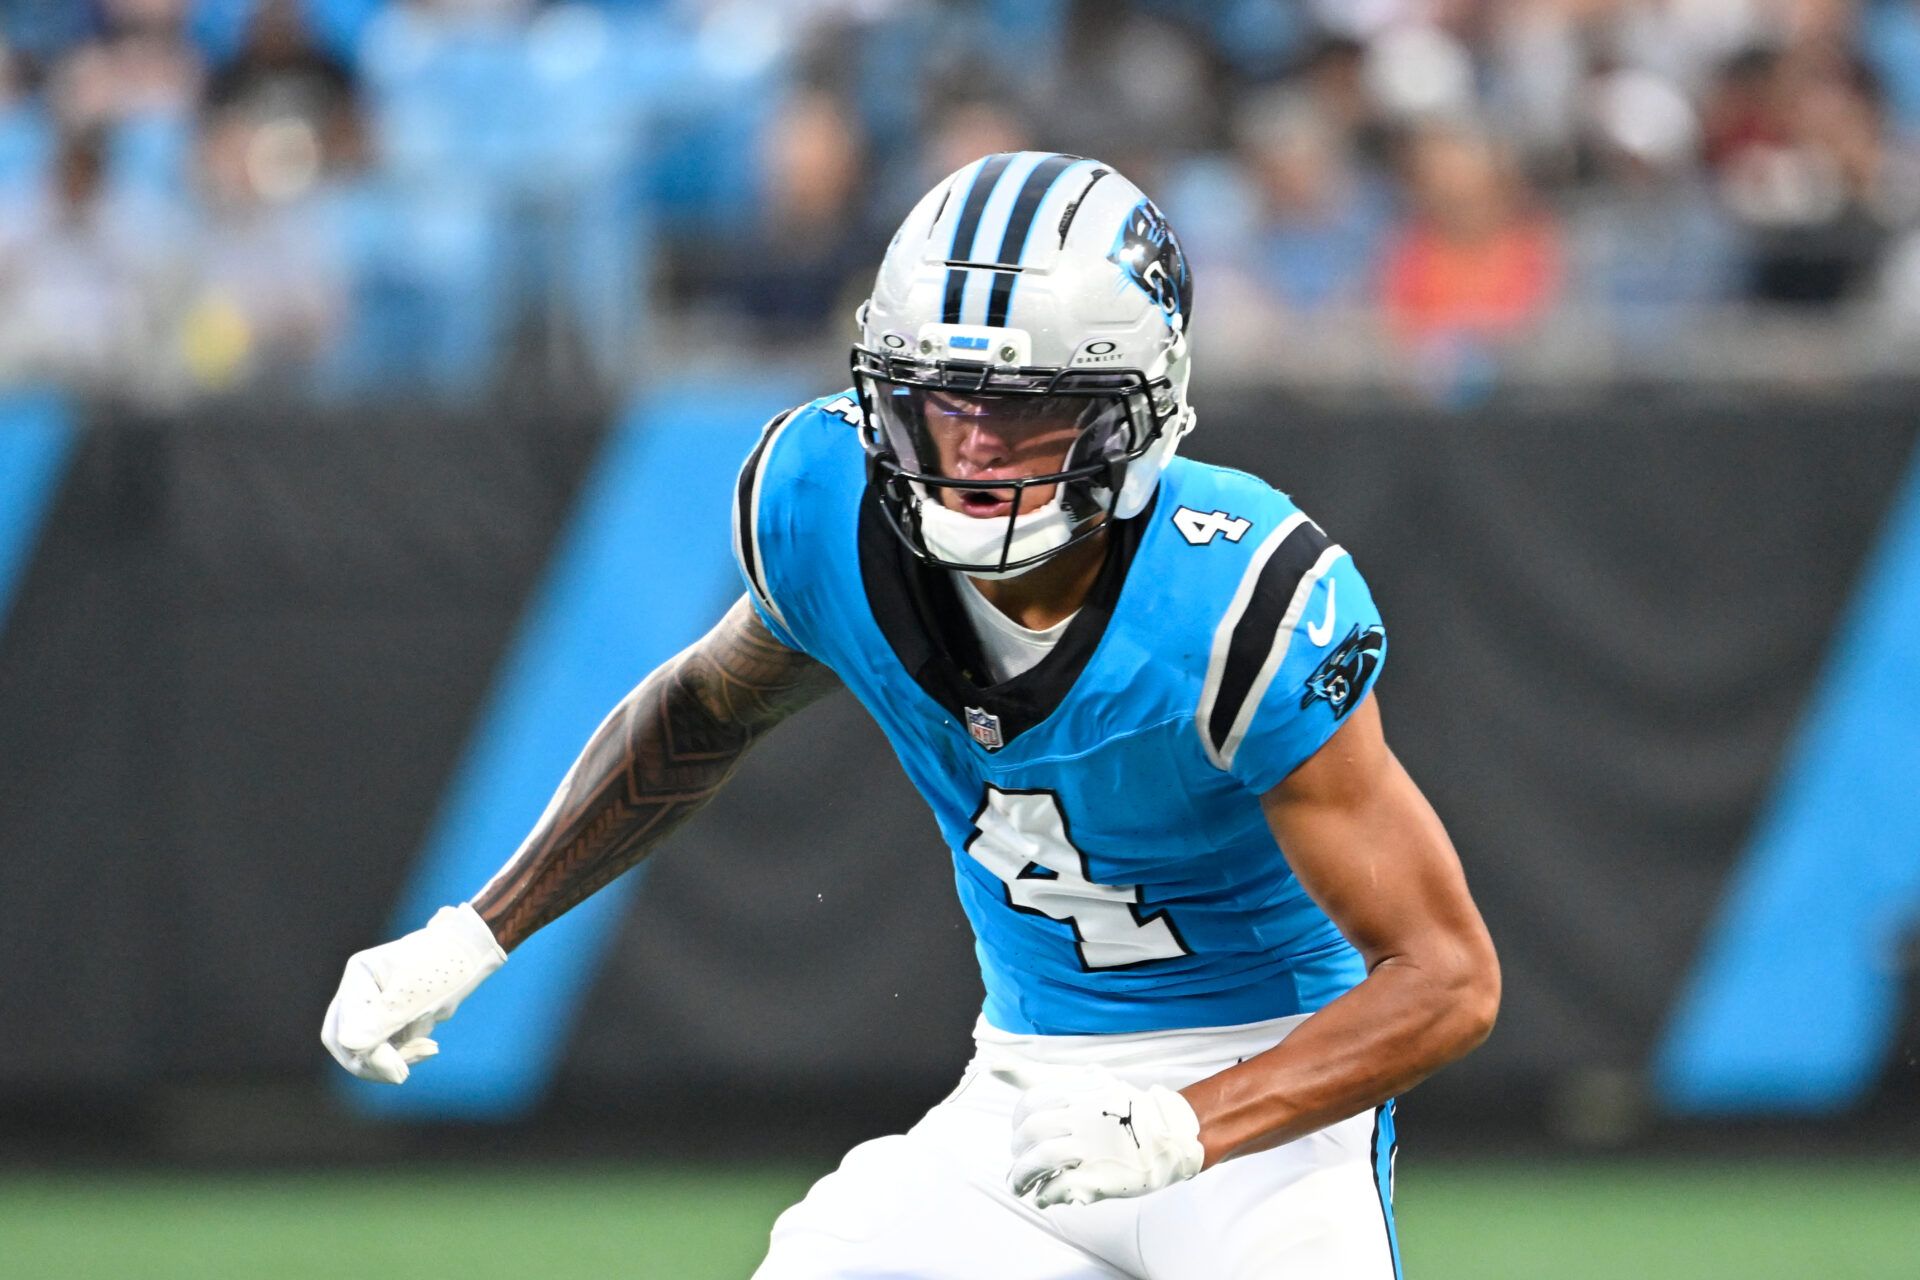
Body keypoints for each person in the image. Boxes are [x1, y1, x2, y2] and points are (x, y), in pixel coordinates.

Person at [321, 150, 1501, 1279]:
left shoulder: (1239, 595)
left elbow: (1448, 976)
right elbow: (702, 710)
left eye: (1029, 409)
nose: (977, 448)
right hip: (1024, 1087)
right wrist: (478, 929)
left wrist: (1183, 1126)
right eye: (944, 402)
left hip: (1260, 1102)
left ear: (1140, 409)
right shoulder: (823, 502)